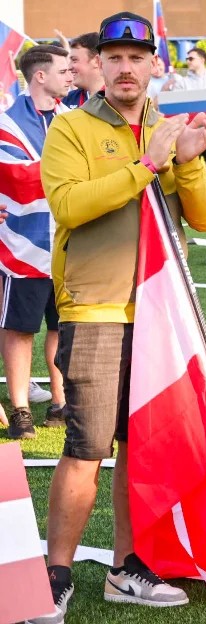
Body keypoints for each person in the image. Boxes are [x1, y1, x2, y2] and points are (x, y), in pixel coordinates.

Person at [36, 11, 206, 623]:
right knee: (87, 444)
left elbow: (203, 218)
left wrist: (187, 160)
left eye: (137, 57)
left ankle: (127, 568)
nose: (125, 67)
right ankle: (53, 574)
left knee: (142, 448)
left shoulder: (166, 128)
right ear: (98, 64)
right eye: (114, 57)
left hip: (160, 313)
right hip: (96, 304)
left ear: (152, 64)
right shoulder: (71, 129)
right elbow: (69, 205)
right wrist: (146, 166)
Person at [2, 45, 72, 440]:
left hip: (68, 244)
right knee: (19, 329)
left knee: (62, 328)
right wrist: (70, 169)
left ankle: (61, 402)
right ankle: (21, 410)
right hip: (22, 246)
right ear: (39, 76)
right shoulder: (7, 122)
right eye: (63, 70)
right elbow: (17, 176)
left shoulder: (72, 119)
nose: (70, 76)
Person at [173, 48, 206, 191]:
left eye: (191, 58)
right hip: (190, 131)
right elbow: (177, 107)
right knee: (189, 169)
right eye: (187, 58)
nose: (188, 61)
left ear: (202, 60)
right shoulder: (182, 82)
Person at [62, 32, 103, 109]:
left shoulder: (119, 99)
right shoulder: (67, 100)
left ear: (96, 61)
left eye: (74, 60)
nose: (69, 67)